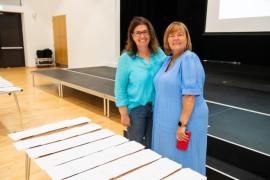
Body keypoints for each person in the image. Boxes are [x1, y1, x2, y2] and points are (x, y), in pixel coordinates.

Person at [152, 21, 208, 175]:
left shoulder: (189, 58)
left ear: (187, 38)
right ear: (167, 40)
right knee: (168, 163)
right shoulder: (167, 60)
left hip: (185, 123)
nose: (176, 38)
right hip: (166, 122)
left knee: (185, 165)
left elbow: (189, 96)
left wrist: (182, 125)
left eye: (180, 34)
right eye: (172, 35)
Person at [114, 16, 166, 148]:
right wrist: (124, 114)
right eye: (138, 32)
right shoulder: (126, 59)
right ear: (132, 35)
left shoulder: (159, 53)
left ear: (150, 34)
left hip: (156, 108)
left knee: (153, 147)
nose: (142, 36)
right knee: (135, 148)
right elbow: (120, 88)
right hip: (136, 110)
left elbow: (170, 70)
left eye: (145, 32)